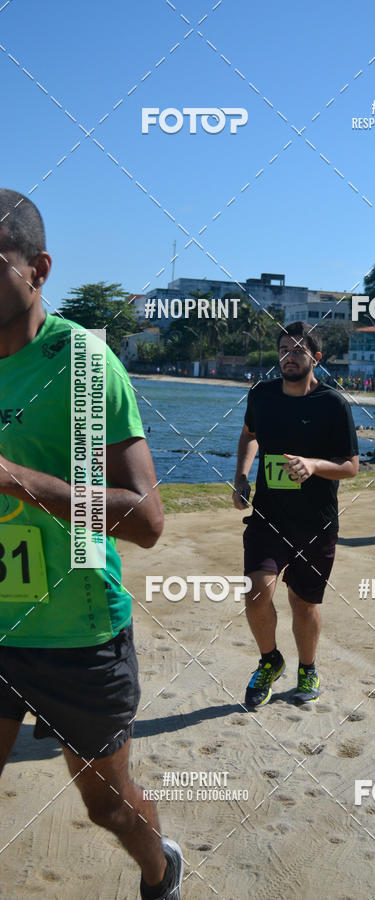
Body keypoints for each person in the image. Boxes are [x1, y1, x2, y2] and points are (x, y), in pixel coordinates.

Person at [0, 190, 183, 899]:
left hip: (75, 631)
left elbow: (146, 520)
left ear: (37, 269)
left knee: (106, 805)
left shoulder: (80, 364)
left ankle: (161, 871)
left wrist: (16, 480)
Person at [232, 321, 359, 707]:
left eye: (298, 351)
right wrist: (241, 476)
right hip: (269, 517)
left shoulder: (333, 404)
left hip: (316, 523)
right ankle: (270, 661)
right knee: (256, 594)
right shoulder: (262, 395)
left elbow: (352, 466)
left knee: (304, 604)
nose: (289, 357)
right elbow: (249, 435)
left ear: (315, 358)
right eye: (284, 349)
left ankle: (307, 667)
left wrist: (314, 465)